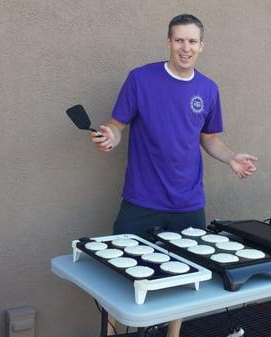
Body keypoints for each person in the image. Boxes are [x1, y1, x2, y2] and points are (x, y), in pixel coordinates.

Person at [89, 14, 257, 337]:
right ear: (168, 42)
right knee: (118, 275)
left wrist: (231, 157)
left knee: (185, 278)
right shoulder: (140, 79)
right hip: (142, 199)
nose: (185, 47)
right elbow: (117, 125)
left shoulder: (208, 89)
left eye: (192, 41)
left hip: (187, 202)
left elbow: (209, 138)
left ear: (202, 46)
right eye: (179, 40)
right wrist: (109, 136)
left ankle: (173, 334)